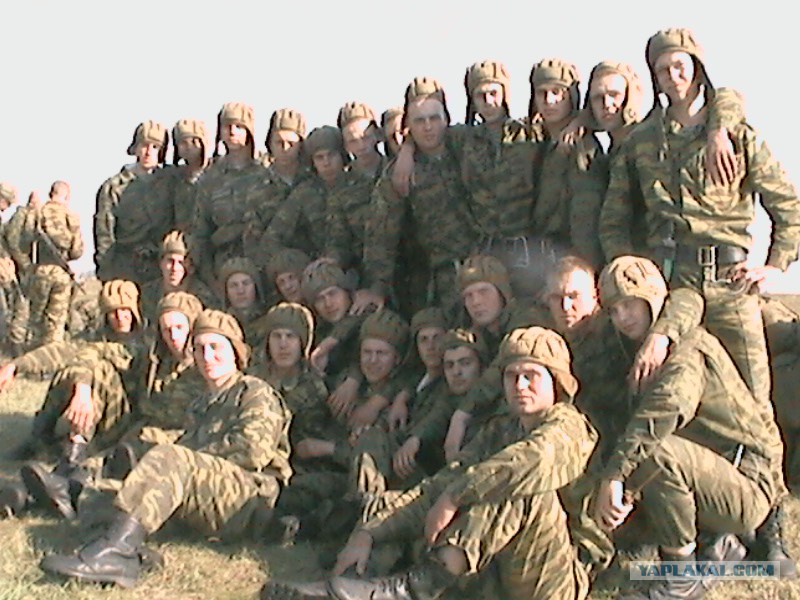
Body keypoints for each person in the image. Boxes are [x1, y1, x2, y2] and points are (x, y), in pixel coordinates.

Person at [599, 28, 800, 571]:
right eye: (663, 69)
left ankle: (770, 524)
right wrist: (631, 274)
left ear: (698, 67)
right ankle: (696, 522)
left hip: (731, 285)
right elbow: (615, 217)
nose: (673, 76)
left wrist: (775, 265)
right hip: (674, 284)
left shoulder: (735, 133)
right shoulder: (644, 141)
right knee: (674, 397)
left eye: (681, 65)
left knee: (754, 407)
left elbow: (788, 206)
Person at [266, 326, 597, 600]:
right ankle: (351, 584)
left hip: (552, 579)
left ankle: (410, 590)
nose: (520, 385)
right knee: (395, 506)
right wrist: (370, 531)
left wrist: (454, 497)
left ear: (556, 382)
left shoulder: (570, 427)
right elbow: (444, 481)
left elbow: (527, 463)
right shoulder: (500, 430)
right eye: (512, 376)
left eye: (531, 375)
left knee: (514, 487)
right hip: (492, 567)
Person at [40, 308, 292, 588]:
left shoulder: (255, 392)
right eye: (199, 348)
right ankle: (129, 552)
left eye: (216, 347)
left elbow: (252, 452)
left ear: (236, 352)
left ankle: (116, 553)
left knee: (169, 457)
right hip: (208, 491)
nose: (207, 356)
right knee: (109, 492)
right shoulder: (201, 403)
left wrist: (185, 460)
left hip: (250, 499)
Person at [595, 255, 784, 598]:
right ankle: (716, 542)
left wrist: (615, 476)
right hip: (718, 471)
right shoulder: (641, 348)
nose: (622, 317)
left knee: (654, 451)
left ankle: (681, 575)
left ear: (652, 299)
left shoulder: (685, 351)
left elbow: (665, 410)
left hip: (747, 479)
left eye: (630, 304)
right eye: (614, 309)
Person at [4, 292, 207, 521]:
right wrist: (79, 387)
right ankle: (63, 472)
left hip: (173, 442)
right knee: (97, 370)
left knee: (118, 460)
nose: (173, 336)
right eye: (166, 329)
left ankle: (46, 492)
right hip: (135, 428)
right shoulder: (153, 358)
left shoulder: (209, 363)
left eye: (180, 327)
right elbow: (82, 350)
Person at [360, 77, 474, 318]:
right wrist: (378, 286)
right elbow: (381, 234)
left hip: (490, 262)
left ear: (446, 119)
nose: (428, 127)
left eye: (434, 118)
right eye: (419, 121)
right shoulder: (399, 173)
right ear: (409, 125)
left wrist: (408, 145)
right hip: (444, 276)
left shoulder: (467, 146)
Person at [0, 280, 149, 463]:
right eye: (113, 312)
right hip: (100, 407)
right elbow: (60, 351)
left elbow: (94, 355)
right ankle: (40, 439)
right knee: (69, 371)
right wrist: (16, 366)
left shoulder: (147, 342)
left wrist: (83, 387)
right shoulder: (97, 336)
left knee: (99, 369)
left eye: (125, 310)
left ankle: (77, 450)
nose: (120, 317)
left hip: (125, 416)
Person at [192, 102, 268, 289]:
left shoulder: (267, 170)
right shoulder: (211, 177)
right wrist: (210, 277)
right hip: (223, 266)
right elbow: (201, 233)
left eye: (239, 126)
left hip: (263, 264)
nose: (232, 132)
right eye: (227, 126)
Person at [94, 121, 168, 280]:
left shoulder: (170, 183)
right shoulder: (114, 187)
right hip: (125, 265)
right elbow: (105, 234)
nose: (148, 152)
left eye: (155, 147)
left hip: (160, 267)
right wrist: (106, 271)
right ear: (136, 148)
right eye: (144, 145)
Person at [264, 125, 347, 264]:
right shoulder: (305, 193)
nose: (326, 163)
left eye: (331, 155)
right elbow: (273, 237)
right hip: (320, 268)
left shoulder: (359, 185)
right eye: (319, 158)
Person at [244, 108, 308, 269]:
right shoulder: (257, 186)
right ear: (270, 144)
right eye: (279, 143)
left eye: (291, 144)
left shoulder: (313, 180)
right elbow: (252, 239)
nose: (285, 149)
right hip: (274, 269)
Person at [24, 180, 84, 346]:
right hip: (62, 272)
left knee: (35, 320)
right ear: (67, 196)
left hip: (40, 269)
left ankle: (31, 355)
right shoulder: (72, 216)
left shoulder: (38, 212)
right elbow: (77, 251)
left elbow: (26, 238)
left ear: (51, 193)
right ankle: (51, 354)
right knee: (56, 323)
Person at [139, 230, 219, 327]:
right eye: (170, 261)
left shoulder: (203, 297)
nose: (174, 268)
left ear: (191, 267)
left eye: (181, 263)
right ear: (161, 263)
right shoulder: (147, 293)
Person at [170, 119, 211, 233]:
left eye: (194, 141)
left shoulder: (219, 172)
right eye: (183, 142)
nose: (189, 146)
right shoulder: (172, 178)